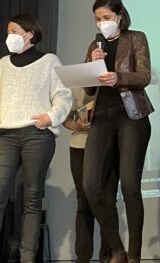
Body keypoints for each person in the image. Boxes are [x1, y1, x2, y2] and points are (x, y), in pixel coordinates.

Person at [0, 14, 72, 263]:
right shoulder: (3, 63)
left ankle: (27, 258)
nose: (9, 36)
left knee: (31, 198)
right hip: (6, 135)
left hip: (36, 134)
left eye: (14, 31)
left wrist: (51, 117)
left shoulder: (49, 61)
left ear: (30, 34)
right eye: (8, 31)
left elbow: (63, 96)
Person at [82, 0, 153, 263]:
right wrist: (92, 64)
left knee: (130, 186)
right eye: (98, 19)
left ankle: (134, 255)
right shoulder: (94, 45)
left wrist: (118, 77)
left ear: (120, 15)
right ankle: (117, 248)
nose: (102, 23)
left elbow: (144, 76)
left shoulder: (136, 38)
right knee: (91, 186)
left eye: (107, 17)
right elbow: (89, 89)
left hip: (131, 115)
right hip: (101, 118)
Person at [63, 87, 117, 263]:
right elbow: (64, 117)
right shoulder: (77, 85)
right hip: (80, 145)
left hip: (109, 146)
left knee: (108, 201)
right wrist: (76, 125)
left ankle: (107, 256)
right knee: (83, 202)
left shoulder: (111, 83)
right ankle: (83, 257)